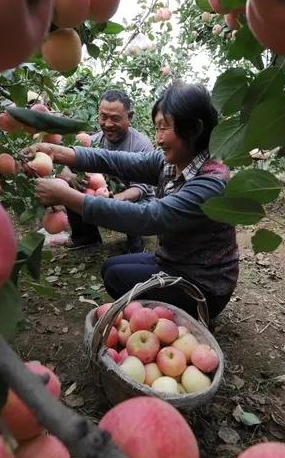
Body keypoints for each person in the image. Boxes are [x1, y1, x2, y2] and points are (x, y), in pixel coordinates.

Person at [24, 81, 239, 321]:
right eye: (156, 129)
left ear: (195, 129)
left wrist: (66, 196)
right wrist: (56, 152)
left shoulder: (210, 183)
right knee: (111, 268)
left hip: (202, 285)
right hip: (176, 261)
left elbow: (146, 218)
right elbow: (114, 160)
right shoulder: (172, 163)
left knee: (117, 278)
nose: (158, 139)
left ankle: (190, 318)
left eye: (164, 128)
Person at [62, 89, 154, 253]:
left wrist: (114, 200)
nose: (108, 124)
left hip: (134, 198)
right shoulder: (94, 141)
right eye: (103, 117)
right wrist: (70, 177)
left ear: (130, 117)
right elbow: (64, 163)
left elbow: (141, 189)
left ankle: (136, 245)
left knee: (133, 208)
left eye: (115, 118)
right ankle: (86, 239)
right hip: (103, 193)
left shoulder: (141, 145)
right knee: (69, 187)